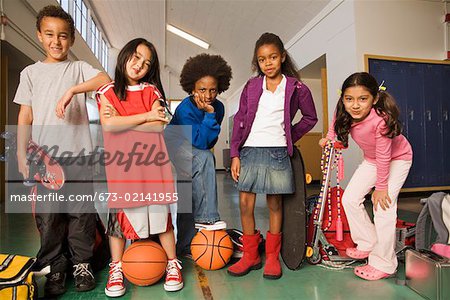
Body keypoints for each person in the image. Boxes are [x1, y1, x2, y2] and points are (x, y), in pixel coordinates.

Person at [13, 5, 110, 297]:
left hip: (79, 156)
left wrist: (73, 90)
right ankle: (56, 266)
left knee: (81, 213)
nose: (57, 41)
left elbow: (105, 79)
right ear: (39, 36)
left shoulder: (79, 69)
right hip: (44, 160)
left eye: (63, 36)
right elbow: (25, 117)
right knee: (50, 216)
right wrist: (20, 154)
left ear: (72, 39)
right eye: (50, 34)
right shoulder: (30, 73)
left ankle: (82, 264)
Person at [96, 38, 183, 297]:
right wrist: (145, 116)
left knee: (162, 219)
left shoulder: (152, 92)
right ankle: (117, 267)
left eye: (146, 64)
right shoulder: (107, 91)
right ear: (124, 56)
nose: (139, 66)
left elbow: (159, 126)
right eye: (136, 57)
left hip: (152, 166)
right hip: (122, 169)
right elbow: (108, 126)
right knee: (119, 222)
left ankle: (172, 263)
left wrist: (123, 123)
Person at [228, 32, 317, 279]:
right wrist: (235, 154)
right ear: (257, 62)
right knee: (245, 204)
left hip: (277, 151)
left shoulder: (297, 88)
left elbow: (310, 118)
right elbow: (240, 120)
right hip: (250, 150)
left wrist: (289, 136)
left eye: (273, 57)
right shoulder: (252, 86)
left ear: (282, 57)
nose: (267, 63)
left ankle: (271, 258)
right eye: (262, 59)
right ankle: (250, 256)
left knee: (274, 204)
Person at [319, 72, 413, 280]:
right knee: (349, 199)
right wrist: (329, 138)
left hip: (397, 159)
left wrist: (380, 188)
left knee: (383, 206)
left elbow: (384, 155)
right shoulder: (343, 109)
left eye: (363, 99)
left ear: (375, 99)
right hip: (373, 160)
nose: (355, 105)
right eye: (349, 99)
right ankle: (369, 241)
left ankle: (384, 264)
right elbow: (336, 123)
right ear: (342, 98)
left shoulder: (381, 121)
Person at [166, 53, 232, 256]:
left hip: (193, 151)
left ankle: (185, 245)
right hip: (173, 146)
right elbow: (201, 142)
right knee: (203, 157)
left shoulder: (218, 108)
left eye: (213, 89)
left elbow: (209, 141)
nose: (208, 94)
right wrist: (208, 116)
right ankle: (208, 217)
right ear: (192, 89)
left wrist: (211, 114)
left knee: (188, 191)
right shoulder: (186, 108)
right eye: (202, 89)